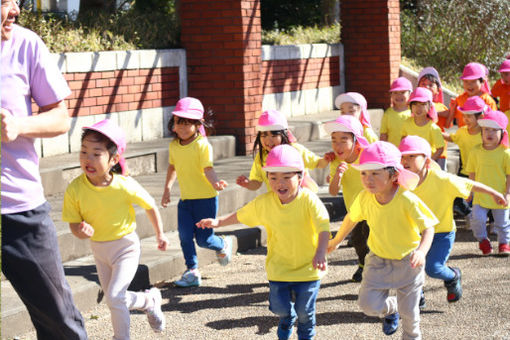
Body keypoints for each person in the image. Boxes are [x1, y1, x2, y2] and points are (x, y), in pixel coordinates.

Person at [1, 1, 88, 338]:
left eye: (16, 1)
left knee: (59, 321)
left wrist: (19, 125)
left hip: (18, 212)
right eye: (5, 2)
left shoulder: (26, 45)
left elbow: (60, 116)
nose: (15, 9)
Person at [197, 144, 330, 340]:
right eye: (273, 177)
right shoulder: (266, 202)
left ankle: (305, 336)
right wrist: (218, 222)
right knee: (279, 308)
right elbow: (242, 215)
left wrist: (320, 252)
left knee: (305, 312)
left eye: (286, 177)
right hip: (279, 267)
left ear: (300, 177)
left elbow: (323, 227)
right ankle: (286, 318)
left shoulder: (309, 200)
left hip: (308, 267)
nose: (280, 183)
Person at [62, 119, 169, 339]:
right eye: (84, 152)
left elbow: (149, 205)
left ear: (114, 159)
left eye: (96, 153)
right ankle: (149, 301)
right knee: (115, 299)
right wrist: (79, 230)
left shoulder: (123, 184)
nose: (87, 159)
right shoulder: (75, 189)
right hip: (99, 251)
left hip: (126, 247)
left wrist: (160, 233)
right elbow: (73, 224)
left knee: (114, 296)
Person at [328, 141, 437, 339]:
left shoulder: (406, 199)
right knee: (367, 305)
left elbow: (428, 227)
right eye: (363, 173)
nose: (368, 179)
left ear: (394, 174)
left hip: (408, 261)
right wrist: (336, 241)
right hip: (378, 259)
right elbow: (351, 218)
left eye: (375, 173)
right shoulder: (364, 197)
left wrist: (421, 251)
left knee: (410, 318)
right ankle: (391, 308)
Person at [399, 136, 506, 308]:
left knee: (433, 268)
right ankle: (417, 295)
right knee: (409, 265)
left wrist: (494, 193)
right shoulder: (401, 181)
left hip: (442, 233)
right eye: (403, 156)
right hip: (413, 234)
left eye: (411, 156)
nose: (405, 160)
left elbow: (470, 184)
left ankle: (453, 276)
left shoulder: (442, 179)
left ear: (426, 160)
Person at [161, 97, 233, 287]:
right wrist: (167, 189)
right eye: (179, 122)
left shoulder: (202, 145)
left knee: (204, 240)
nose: (183, 128)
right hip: (186, 201)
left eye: (188, 123)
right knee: (184, 236)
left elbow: (207, 169)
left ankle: (223, 244)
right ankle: (192, 270)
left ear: (198, 125)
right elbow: (172, 168)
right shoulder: (174, 146)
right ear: (173, 124)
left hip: (205, 200)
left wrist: (216, 183)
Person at [236, 109, 330, 193]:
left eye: (274, 136)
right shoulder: (261, 157)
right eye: (264, 135)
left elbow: (317, 163)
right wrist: (247, 184)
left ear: (283, 134)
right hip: (279, 203)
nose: (269, 141)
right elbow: (257, 182)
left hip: (301, 201)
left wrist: (327, 159)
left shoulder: (295, 150)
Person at [324, 115, 371, 282]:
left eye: (344, 140)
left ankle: (374, 269)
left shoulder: (366, 155)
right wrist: (337, 175)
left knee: (373, 239)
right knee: (358, 241)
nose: (338, 145)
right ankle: (363, 264)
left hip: (374, 207)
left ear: (356, 140)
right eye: (334, 140)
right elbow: (333, 191)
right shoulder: (336, 162)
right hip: (354, 211)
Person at [465, 110, 510, 255]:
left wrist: (508, 194)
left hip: (500, 195)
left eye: (494, 130)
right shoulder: (475, 151)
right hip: (480, 195)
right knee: (476, 220)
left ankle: (504, 243)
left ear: (502, 133)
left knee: (502, 224)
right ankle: (482, 240)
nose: (489, 133)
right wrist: (469, 192)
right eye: (486, 130)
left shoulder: (506, 153)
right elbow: (472, 173)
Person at [442, 96, 486, 219]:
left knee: (482, 198)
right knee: (457, 195)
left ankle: (488, 220)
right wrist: (436, 132)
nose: (466, 119)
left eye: (469, 116)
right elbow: (452, 138)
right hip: (465, 171)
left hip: (483, 173)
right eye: (464, 116)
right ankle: (469, 214)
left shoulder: (485, 133)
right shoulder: (461, 131)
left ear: (480, 117)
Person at [417, 67, 450, 170]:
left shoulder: (440, 106)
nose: (427, 87)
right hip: (421, 151)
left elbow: (447, 123)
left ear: (437, 90)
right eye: (423, 84)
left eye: (431, 85)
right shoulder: (415, 106)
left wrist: (451, 110)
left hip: (440, 152)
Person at [401, 87, 445, 162]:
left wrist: (428, 161)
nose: (418, 108)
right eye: (415, 104)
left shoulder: (433, 128)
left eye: (423, 104)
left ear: (429, 106)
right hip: (409, 163)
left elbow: (440, 149)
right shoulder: (406, 123)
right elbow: (403, 142)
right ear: (410, 106)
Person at [447, 62, 497, 128]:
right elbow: (449, 122)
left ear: (482, 82)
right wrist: (452, 110)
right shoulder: (460, 99)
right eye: (466, 81)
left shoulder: (488, 101)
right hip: (463, 137)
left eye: (473, 81)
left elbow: (493, 124)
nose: (469, 85)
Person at [380, 77, 412, 147]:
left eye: (402, 92)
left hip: (410, 152)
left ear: (410, 94)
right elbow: (383, 135)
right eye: (395, 93)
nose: (399, 96)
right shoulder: (388, 114)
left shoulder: (414, 112)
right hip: (392, 151)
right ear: (391, 95)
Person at [491, 57, 510, 132]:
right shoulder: (501, 84)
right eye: (502, 75)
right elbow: (492, 94)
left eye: (506, 74)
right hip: (504, 116)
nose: (504, 77)